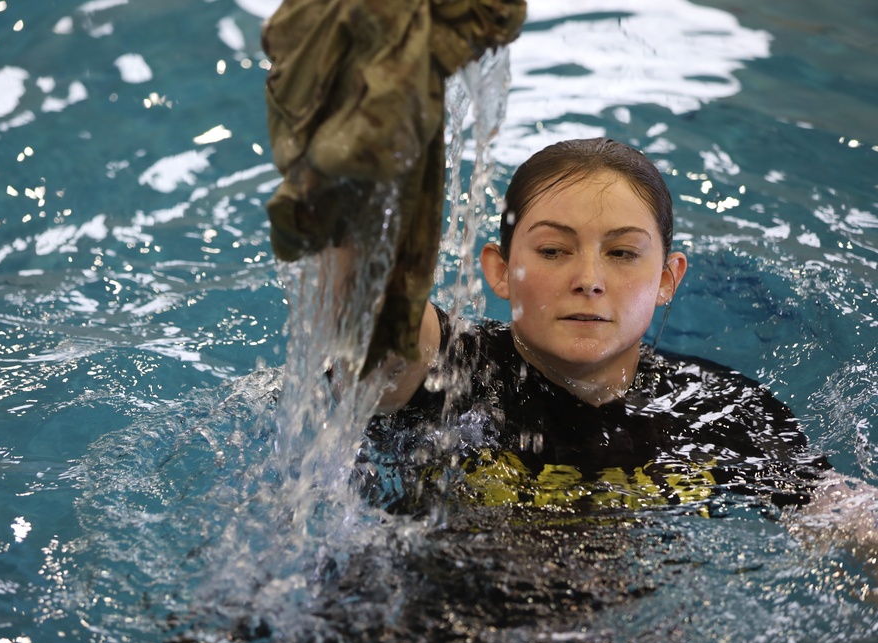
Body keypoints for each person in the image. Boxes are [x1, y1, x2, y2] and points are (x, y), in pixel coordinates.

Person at [358, 137, 839, 517]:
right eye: (553, 251)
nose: (588, 280)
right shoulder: (450, 369)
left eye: (623, 253)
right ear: (501, 270)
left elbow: (842, 517)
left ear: (667, 280)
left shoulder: (720, 410)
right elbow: (367, 305)